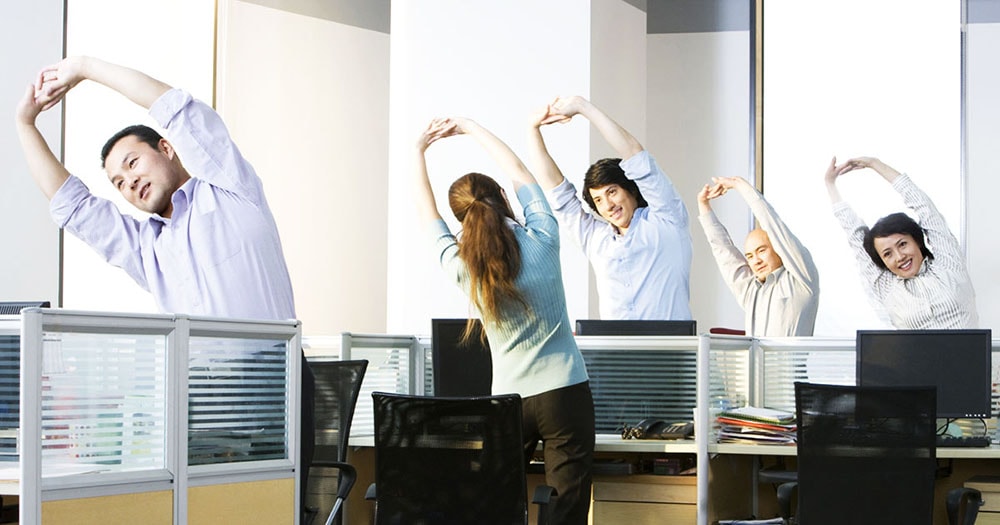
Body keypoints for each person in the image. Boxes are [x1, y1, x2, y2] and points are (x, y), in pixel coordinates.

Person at [15, 56, 316, 516]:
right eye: (118, 182)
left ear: (167, 148)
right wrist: (24, 123)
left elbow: (173, 105)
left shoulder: (230, 188)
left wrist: (84, 69)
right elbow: (72, 206)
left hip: (275, 392)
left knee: (271, 513)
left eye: (132, 162)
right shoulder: (148, 250)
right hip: (201, 408)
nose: (129, 181)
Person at [415, 116, 594, 524]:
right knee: (567, 506)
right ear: (500, 194)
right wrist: (472, 128)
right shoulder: (543, 237)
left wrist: (417, 150)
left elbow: (426, 214)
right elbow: (520, 172)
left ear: (460, 219)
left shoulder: (464, 268)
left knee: (497, 504)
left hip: (509, 401)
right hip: (565, 392)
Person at [527, 96, 692, 320]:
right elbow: (556, 191)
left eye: (612, 192)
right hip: (615, 351)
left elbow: (635, 154)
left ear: (631, 189)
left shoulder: (667, 220)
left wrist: (581, 107)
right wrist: (532, 129)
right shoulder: (596, 238)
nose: (608, 205)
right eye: (599, 200)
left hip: (670, 349)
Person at [824, 156, 978, 329]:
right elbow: (854, 233)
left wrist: (876, 164)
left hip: (970, 355)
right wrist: (830, 184)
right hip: (916, 357)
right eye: (887, 254)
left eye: (902, 244)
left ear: (917, 241)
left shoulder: (948, 264)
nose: (899, 257)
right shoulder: (886, 286)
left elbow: (925, 207)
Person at [696, 176, 820, 336]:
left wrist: (741, 186)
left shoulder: (801, 280)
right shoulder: (751, 290)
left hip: (788, 361)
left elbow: (773, 224)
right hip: (754, 361)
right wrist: (704, 206)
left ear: (777, 249)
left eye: (762, 251)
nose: (756, 260)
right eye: (749, 256)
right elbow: (723, 251)